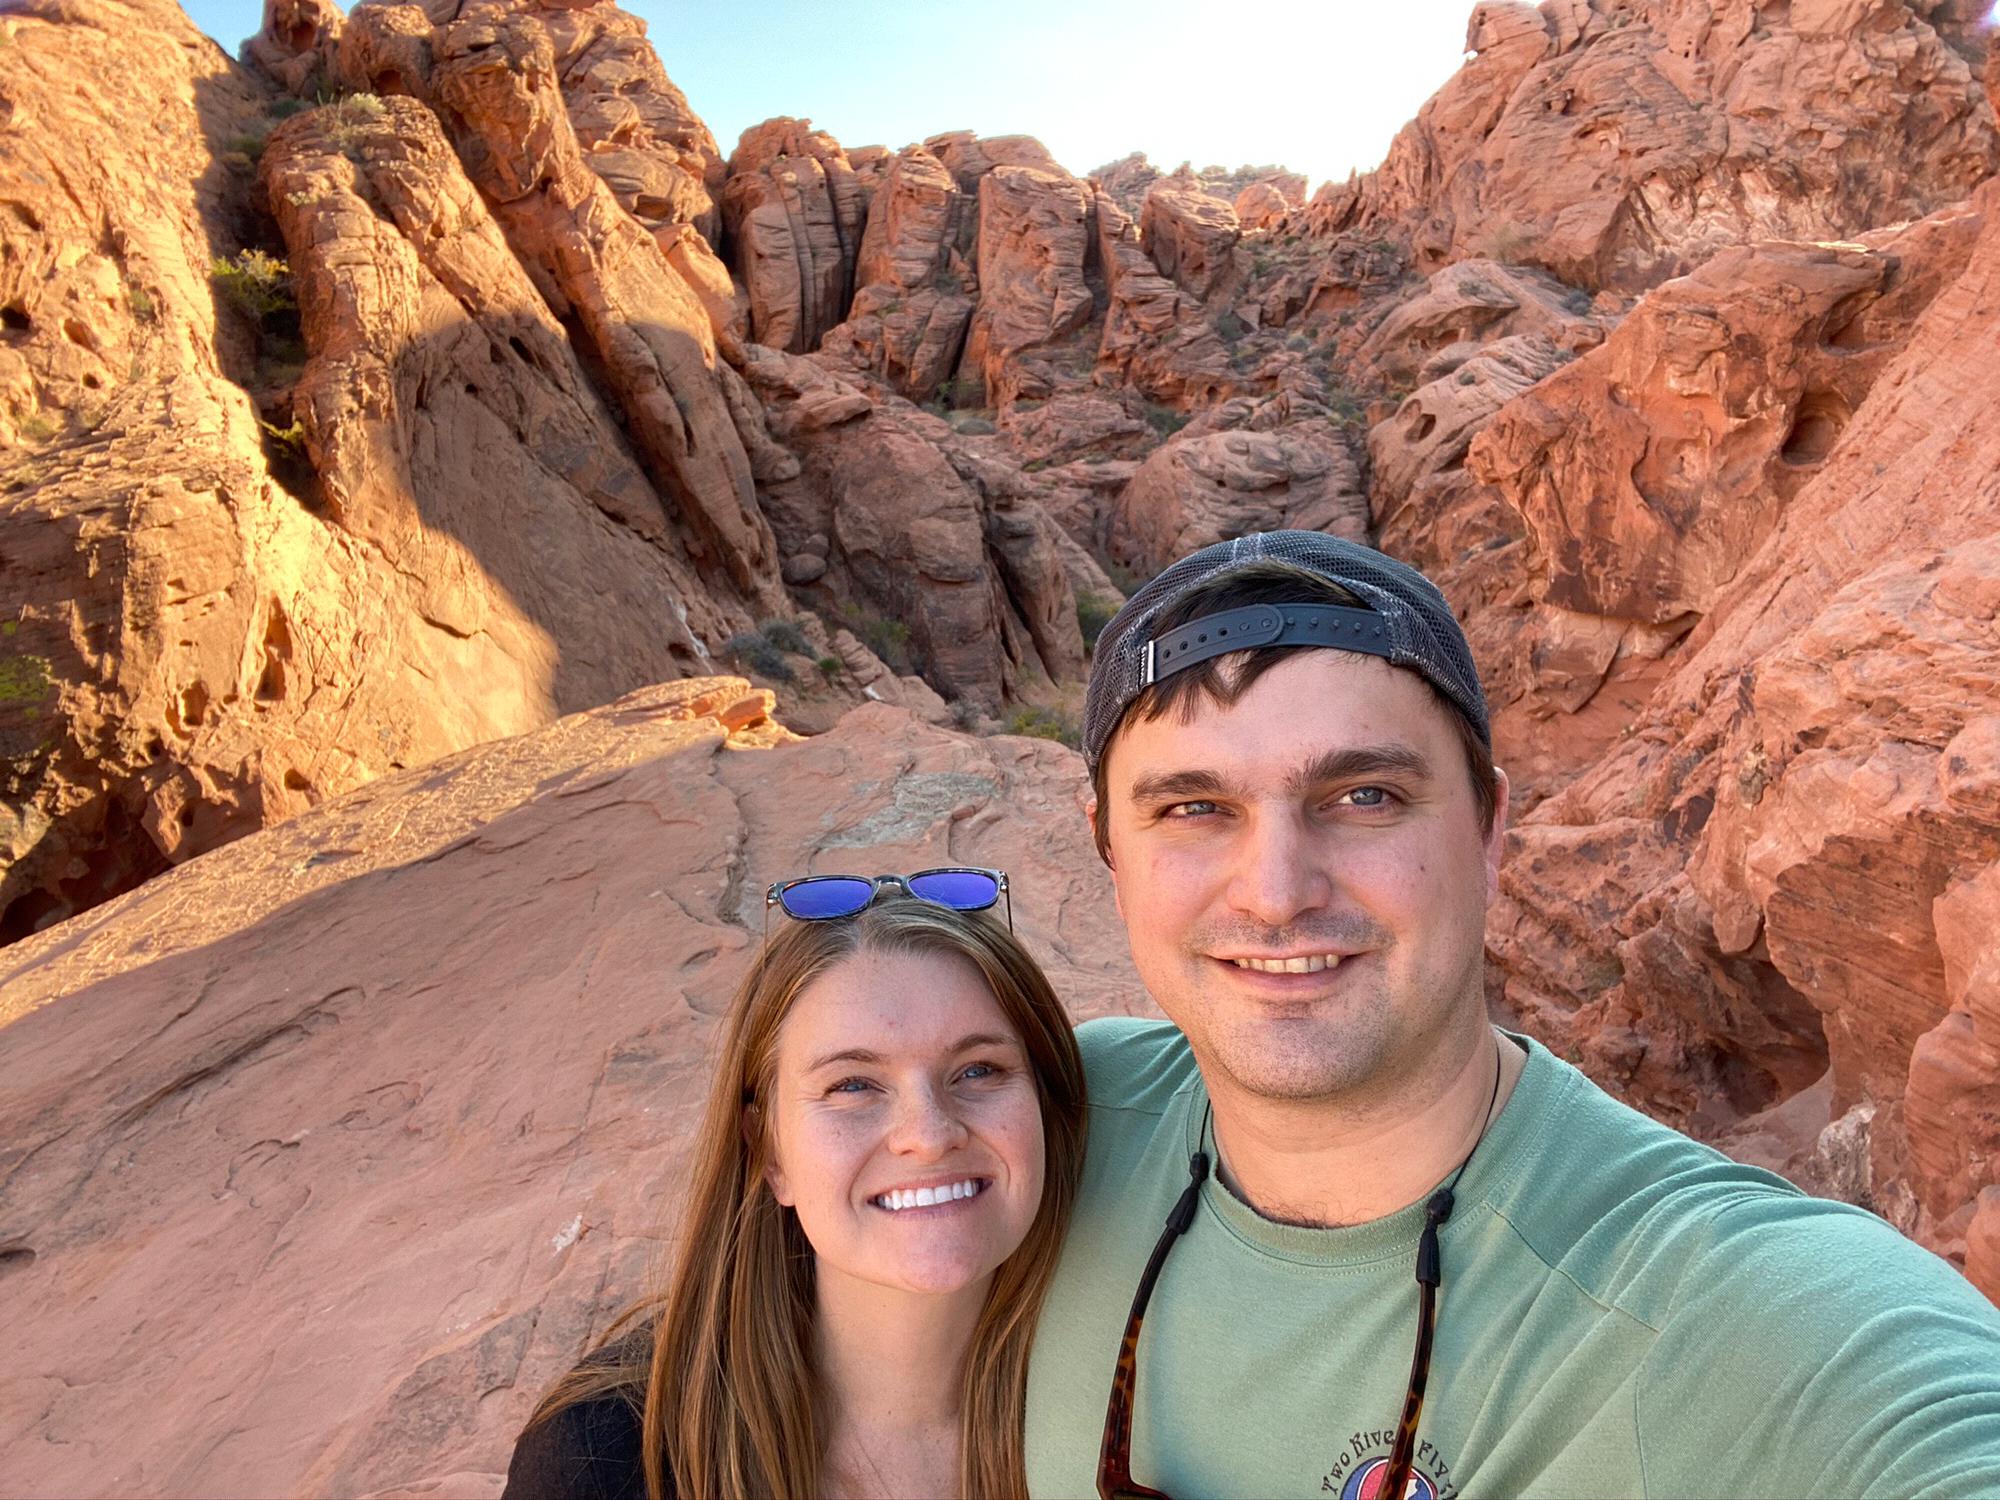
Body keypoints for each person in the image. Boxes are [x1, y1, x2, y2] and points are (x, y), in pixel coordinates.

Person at [1024, 531, 2000, 1500]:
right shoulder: (1038, 1129)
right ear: (1108, 850)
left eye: (1364, 795)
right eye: (1192, 808)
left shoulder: (1746, 1310)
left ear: (1489, 829)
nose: (1275, 893)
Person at [506, 872, 1086, 1500]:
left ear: (1045, 1110)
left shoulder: (1131, 1394)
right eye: (852, 1085)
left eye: (979, 1069)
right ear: (768, 1150)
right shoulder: (606, 1454)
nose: (929, 1133)